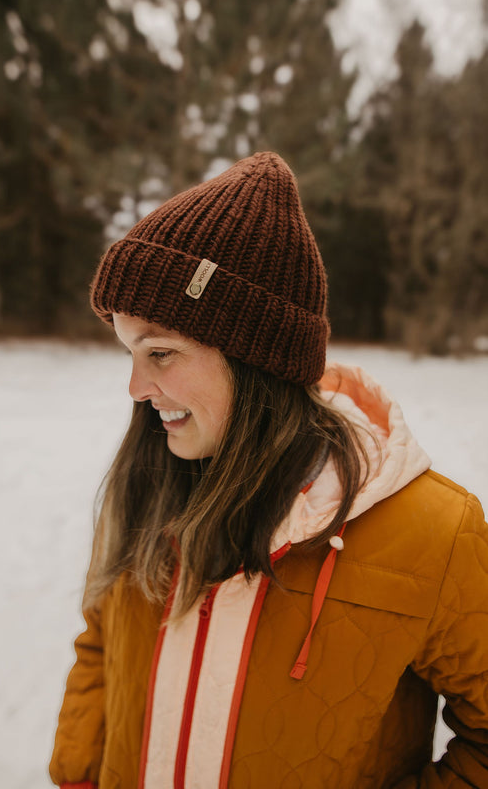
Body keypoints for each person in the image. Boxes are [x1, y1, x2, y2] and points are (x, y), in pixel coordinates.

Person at [49, 152, 488, 789]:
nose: (136, 387)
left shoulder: (434, 534)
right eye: (130, 354)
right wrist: (79, 776)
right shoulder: (150, 484)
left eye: (161, 353)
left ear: (257, 357)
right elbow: (101, 644)